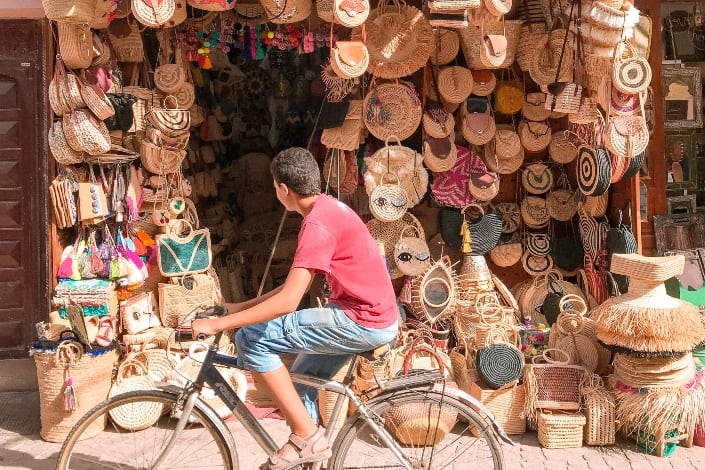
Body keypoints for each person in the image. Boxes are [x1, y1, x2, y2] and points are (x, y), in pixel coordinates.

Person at [192, 147, 399, 470]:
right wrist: (237, 307)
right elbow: (290, 290)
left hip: (362, 320)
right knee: (300, 381)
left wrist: (220, 325)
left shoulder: (317, 225)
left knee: (251, 338)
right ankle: (306, 444)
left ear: (283, 189)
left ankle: (307, 436)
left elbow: (288, 302)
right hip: (366, 315)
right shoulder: (328, 209)